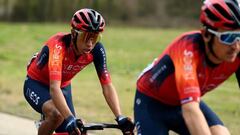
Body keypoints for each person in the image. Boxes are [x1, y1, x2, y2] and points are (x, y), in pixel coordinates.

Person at [134, 0, 240, 135]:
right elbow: (190, 109)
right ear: (207, 35)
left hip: (182, 100)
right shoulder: (187, 49)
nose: (235, 46)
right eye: (228, 37)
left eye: (239, 37)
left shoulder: (237, 54)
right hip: (152, 102)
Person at [23, 8, 134, 135]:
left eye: (95, 37)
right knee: (56, 115)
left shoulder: (96, 50)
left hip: (62, 86)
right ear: (74, 33)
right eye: (86, 37)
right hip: (37, 83)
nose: (90, 43)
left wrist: (119, 116)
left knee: (77, 131)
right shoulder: (58, 46)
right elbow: (54, 88)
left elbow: (107, 85)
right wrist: (70, 118)